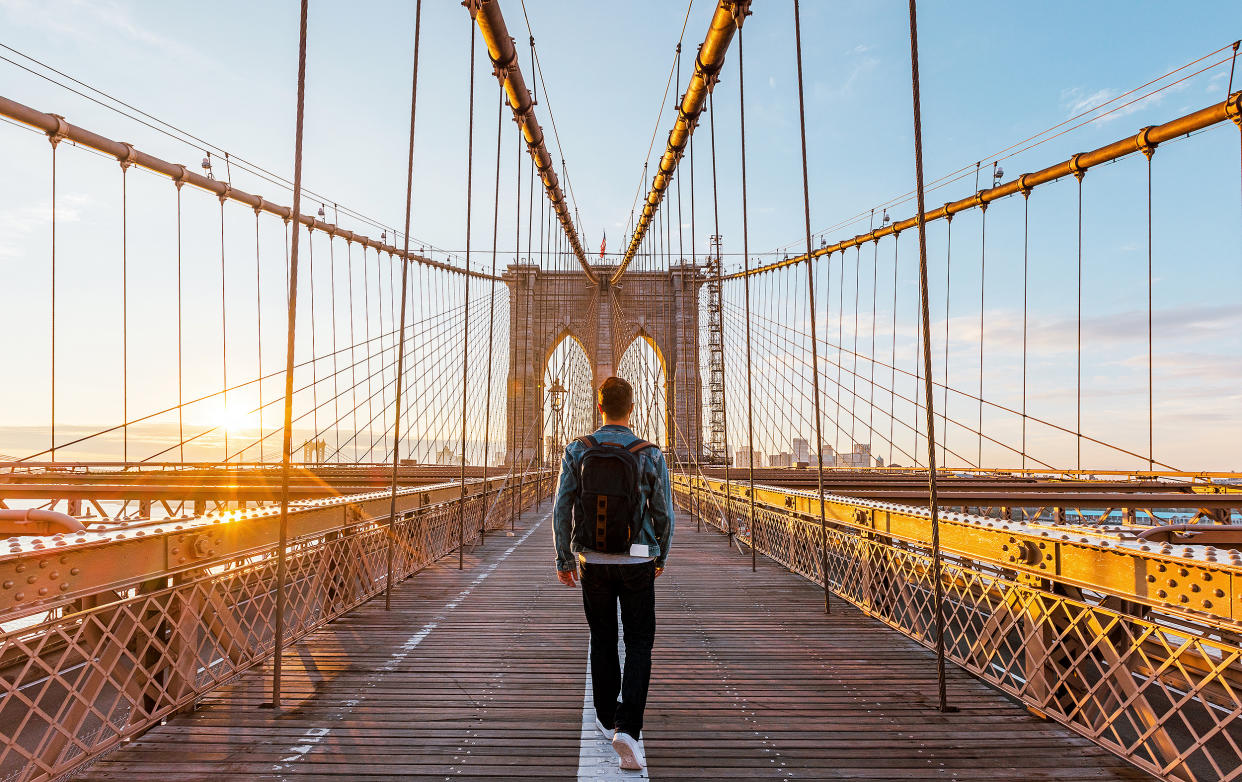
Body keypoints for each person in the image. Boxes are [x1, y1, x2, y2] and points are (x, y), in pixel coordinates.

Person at [553, 376, 675, 771]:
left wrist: (564, 560)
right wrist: (660, 556)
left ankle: (607, 721)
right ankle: (628, 729)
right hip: (638, 560)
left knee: (603, 639)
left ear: (599, 407)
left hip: (593, 561)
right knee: (639, 643)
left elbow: (561, 509)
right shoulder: (651, 454)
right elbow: (665, 515)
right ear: (632, 408)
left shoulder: (577, 449)